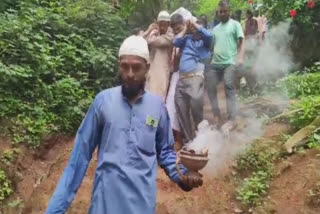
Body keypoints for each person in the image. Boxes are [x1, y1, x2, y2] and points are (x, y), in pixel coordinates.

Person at [45, 35, 203, 214]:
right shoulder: (102, 102)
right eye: (124, 67)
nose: (129, 74)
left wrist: (183, 176)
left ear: (147, 68)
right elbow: (79, 158)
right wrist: (54, 210)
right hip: (103, 205)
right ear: (119, 66)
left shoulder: (157, 108)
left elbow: (165, 152)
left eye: (136, 67)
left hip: (142, 205)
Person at [172, 14, 213, 143]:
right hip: (182, 79)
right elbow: (174, 41)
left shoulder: (204, 41)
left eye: (197, 26)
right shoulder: (186, 38)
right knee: (180, 109)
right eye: (193, 26)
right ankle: (189, 142)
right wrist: (185, 28)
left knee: (196, 105)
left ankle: (202, 137)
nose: (194, 28)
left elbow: (209, 35)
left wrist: (195, 24)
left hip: (196, 76)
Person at [205, 0, 244, 129]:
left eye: (224, 11)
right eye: (220, 12)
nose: (222, 14)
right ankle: (217, 115)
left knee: (228, 85)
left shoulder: (235, 24)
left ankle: (232, 118)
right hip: (216, 63)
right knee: (210, 85)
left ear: (229, 12)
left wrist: (240, 57)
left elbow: (242, 42)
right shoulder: (215, 29)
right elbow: (211, 47)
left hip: (229, 62)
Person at [143, 11, 174, 102]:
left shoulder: (170, 36)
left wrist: (151, 35)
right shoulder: (155, 34)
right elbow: (141, 41)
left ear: (169, 24)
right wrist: (148, 31)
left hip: (162, 72)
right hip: (150, 70)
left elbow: (152, 42)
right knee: (147, 94)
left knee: (159, 96)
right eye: (160, 24)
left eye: (164, 25)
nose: (162, 27)